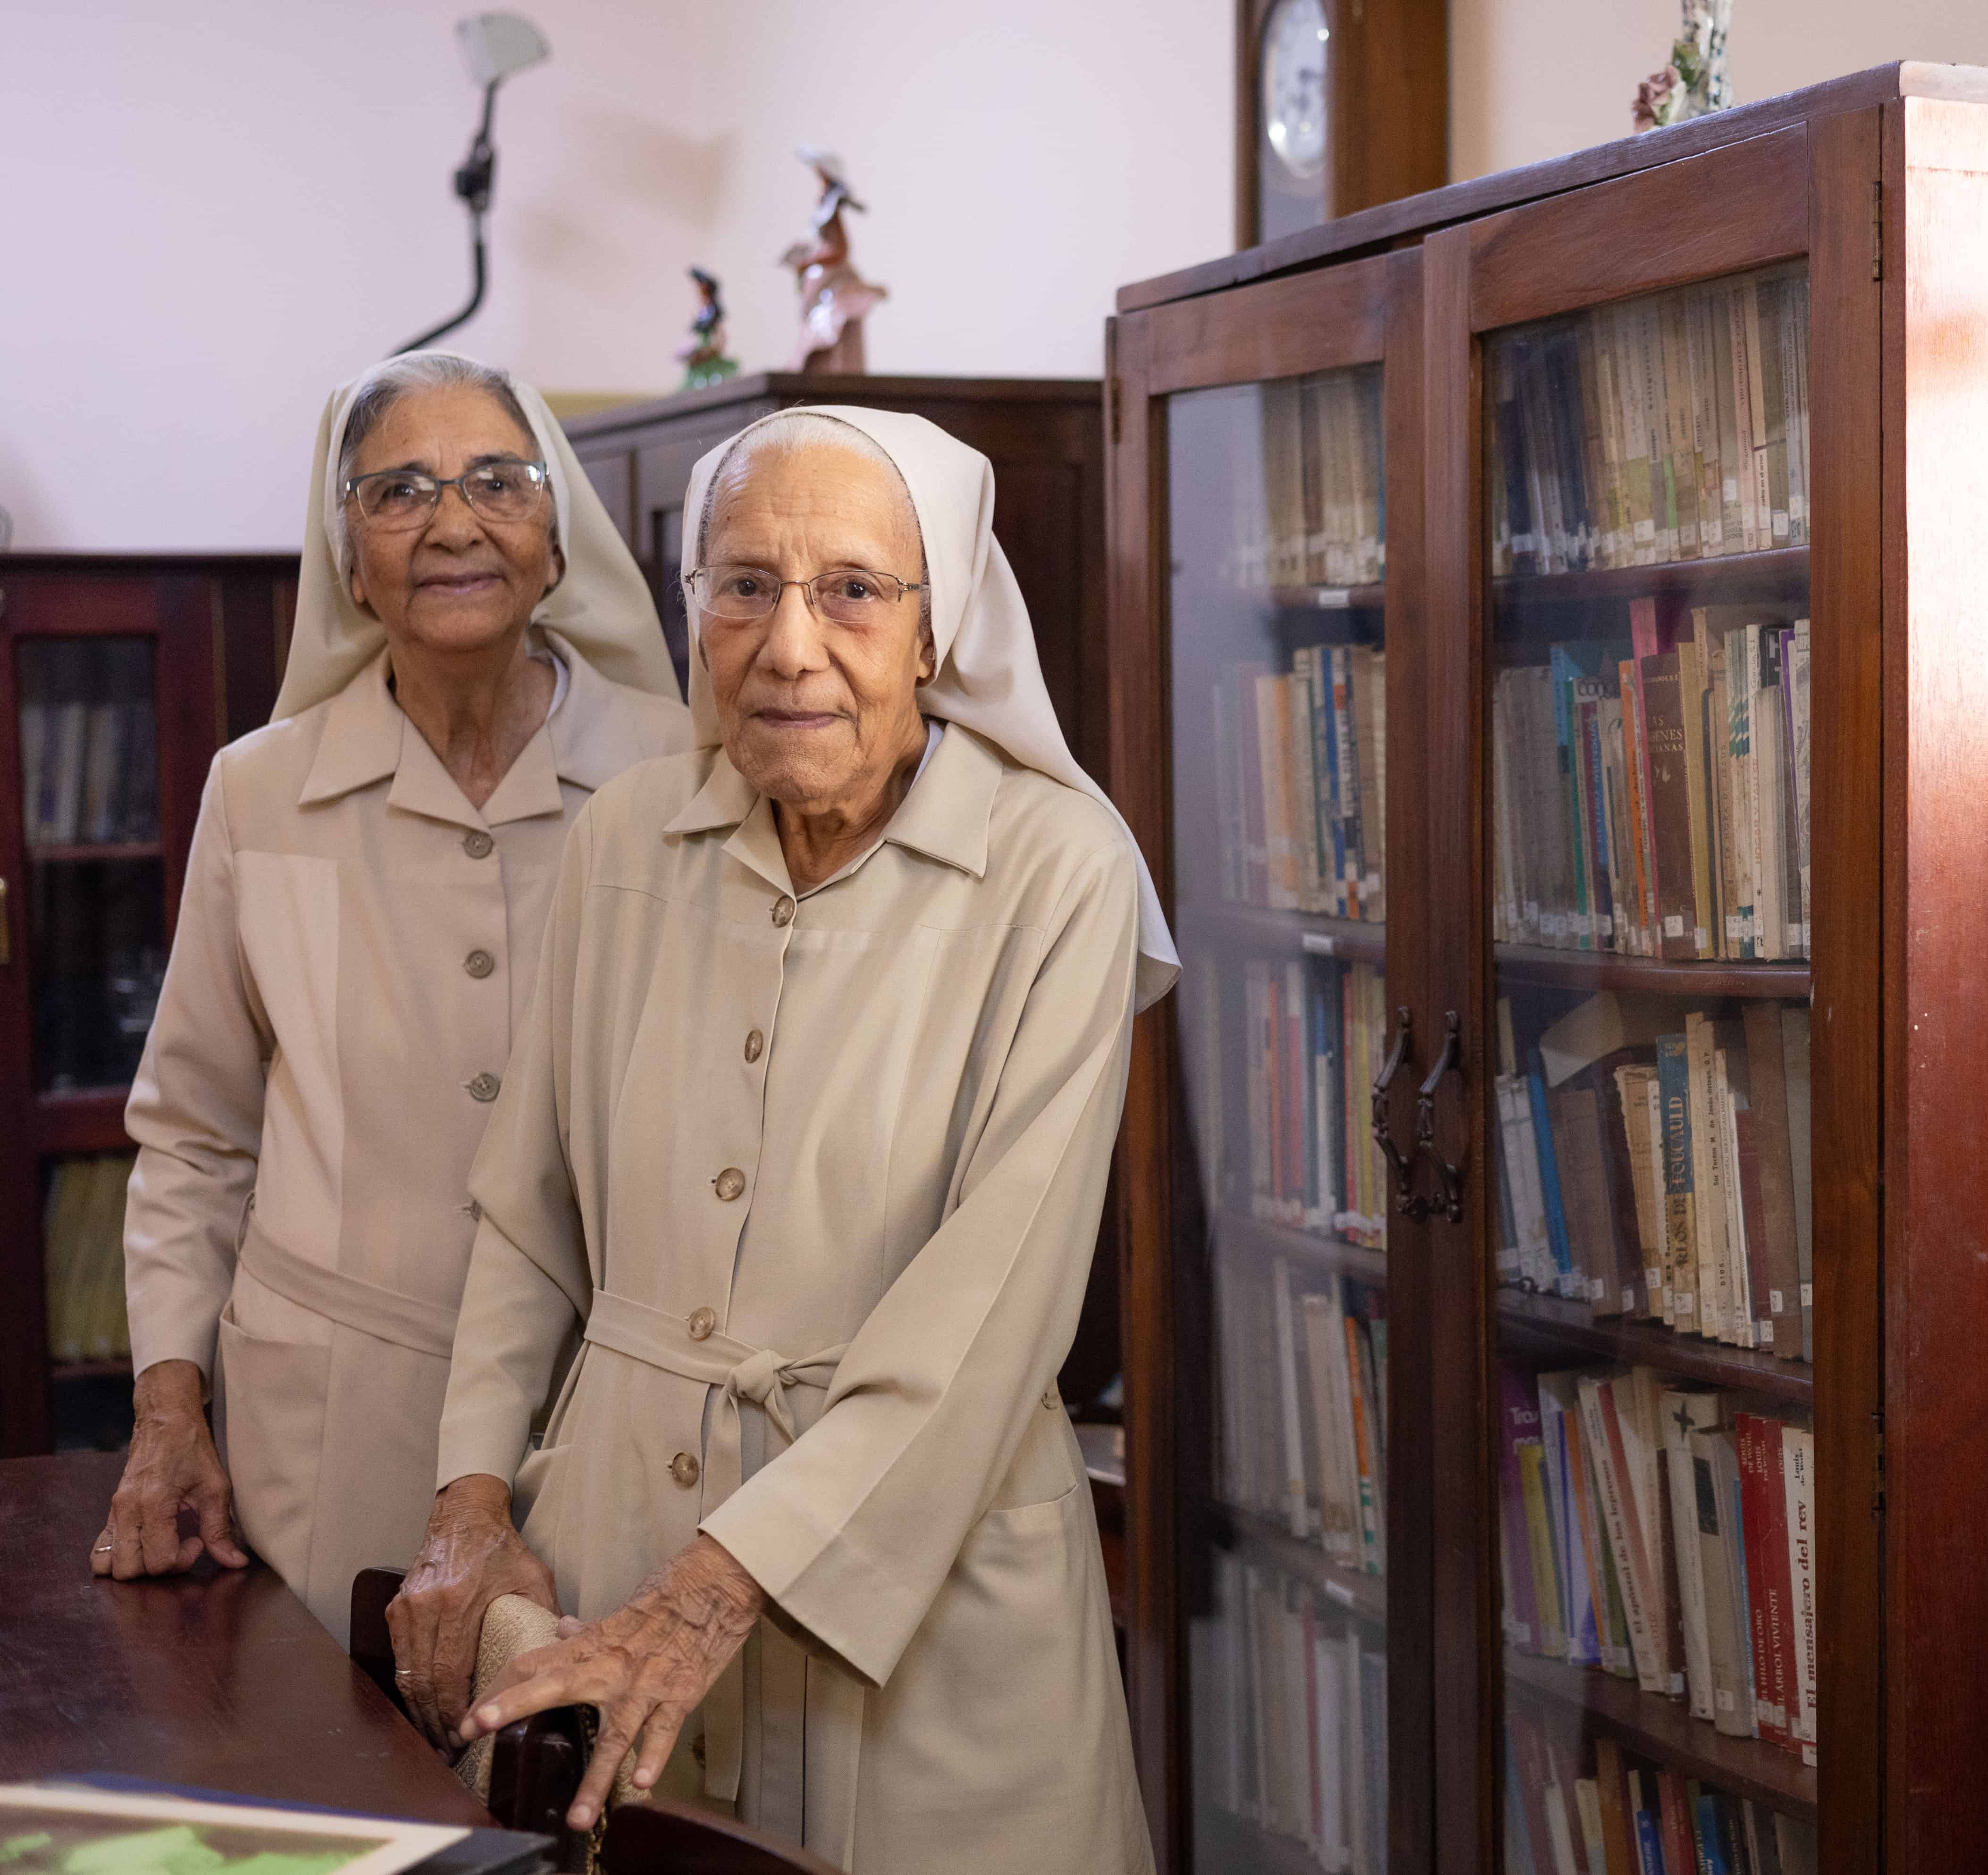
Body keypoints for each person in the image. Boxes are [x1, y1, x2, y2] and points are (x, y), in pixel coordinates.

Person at [397, 407, 1177, 1872]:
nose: (790, 645)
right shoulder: (625, 839)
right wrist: (471, 1501)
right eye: (743, 584)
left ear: (939, 629)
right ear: (691, 610)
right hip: (615, 1543)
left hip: (931, 1602)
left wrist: (705, 1594)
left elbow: (993, 1313)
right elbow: (527, 1218)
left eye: (854, 592)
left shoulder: (1058, 875)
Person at [95, 352, 689, 1657]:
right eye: (399, 491)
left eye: (495, 481)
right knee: (361, 1797)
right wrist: (168, 1412)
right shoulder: (260, 792)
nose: (453, 522)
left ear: (554, 542)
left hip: (606, 1408)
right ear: (348, 557)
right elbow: (195, 1135)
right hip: (331, 1424)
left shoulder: (682, 772)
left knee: (598, 1795)